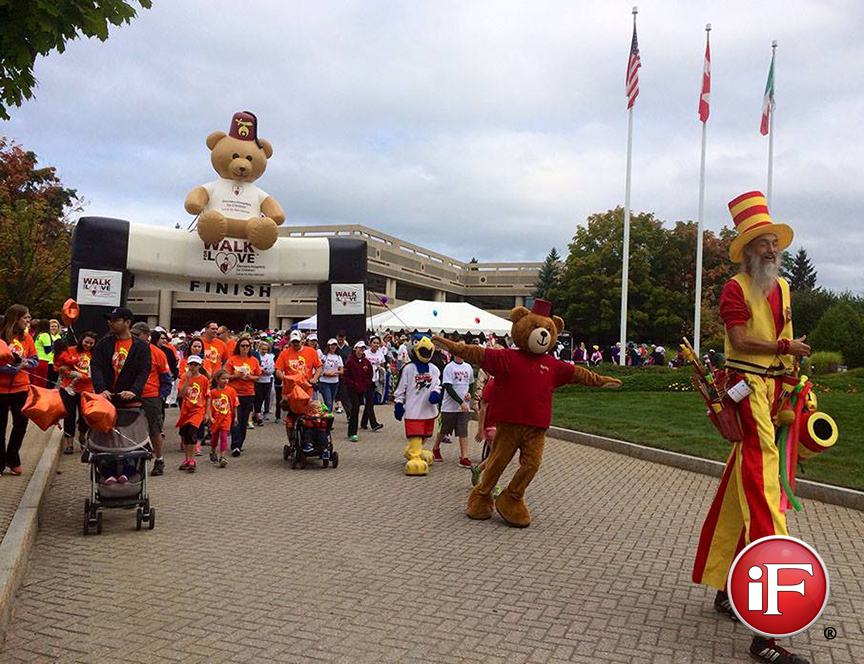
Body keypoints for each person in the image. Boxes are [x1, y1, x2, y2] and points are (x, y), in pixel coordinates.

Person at [691, 191, 812, 664]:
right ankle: (768, 632)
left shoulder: (782, 289)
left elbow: (785, 342)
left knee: (740, 490)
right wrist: (785, 349)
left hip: (774, 392)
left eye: (772, 242)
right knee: (766, 498)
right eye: (760, 242)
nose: (769, 249)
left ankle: (726, 585)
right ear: (745, 250)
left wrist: (793, 382)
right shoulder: (734, 289)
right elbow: (740, 340)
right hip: (745, 389)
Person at [0, 305, 37, 475]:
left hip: (21, 387)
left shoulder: (27, 338)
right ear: (16, 318)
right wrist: (6, 368)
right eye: (25, 317)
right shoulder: (1, 336)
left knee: (21, 424)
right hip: (0, 389)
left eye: (29, 318)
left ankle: (12, 457)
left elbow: (35, 360)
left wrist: (25, 364)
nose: (28, 321)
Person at [132, 322, 172, 474]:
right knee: (132, 430)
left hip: (151, 397)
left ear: (146, 336)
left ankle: (159, 459)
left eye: (137, 334)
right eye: (133, 334)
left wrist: (161, 397)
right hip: (132, 397)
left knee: (155, 430)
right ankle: (133, 461)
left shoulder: (157, 353)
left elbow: (166, 379)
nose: (134, 337)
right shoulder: (129, 350)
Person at [53, 332, 98, 454]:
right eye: (86, 342)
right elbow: (58, 363)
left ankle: (82, 437)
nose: (88, 345)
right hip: (68, 388)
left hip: (87, 389)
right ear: (81, 340)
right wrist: (61, 370)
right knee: (69, 416)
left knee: (85, 416)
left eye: (91, 343)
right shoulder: (70, 350)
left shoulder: (95, 354)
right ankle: (69, 443)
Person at [431, 351, 474, 467]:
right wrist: (460, 402)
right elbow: (448, 388)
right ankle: (436, 448)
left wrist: (470, 394)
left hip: (464, 408)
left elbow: (471, 383)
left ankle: (464, 457)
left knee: (463, 431)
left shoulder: (468, 367)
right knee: (444, 430)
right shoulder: (449, 368)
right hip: (449, 407)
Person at [225, 336, 261, 456]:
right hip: (234, 393)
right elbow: (226, 376)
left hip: (248, 393)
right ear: (238, 347)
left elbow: (257, 376)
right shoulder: (232, 359)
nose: (245, 348)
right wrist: (236, 375)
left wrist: (249, 377)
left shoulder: (254, 360)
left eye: (247, 346)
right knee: (236, 419)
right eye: (242, 346)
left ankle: (239, 443)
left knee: (244, 420)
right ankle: (235, 445)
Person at [176, 355, 210, 473]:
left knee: (192, 433)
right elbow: (181, 394)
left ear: (200, 366)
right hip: (186, 410)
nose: (193, 367)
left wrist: (207, 413)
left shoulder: (204, 379)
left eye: (196, 364)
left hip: (197, 410)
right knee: (185, 434)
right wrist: (186, 380)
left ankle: (192, 459)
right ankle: (186, 458)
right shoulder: (184, 377)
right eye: (191, 364)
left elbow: (207, 396)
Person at [275, 329, 321, 400]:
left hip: (306, 388)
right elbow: (278, 370)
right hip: (290, 389)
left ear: (302, 341)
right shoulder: (284, 353)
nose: (295, 343)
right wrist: (285, 379)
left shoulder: (311, 351)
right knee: (290, 409)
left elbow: (319, 367)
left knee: (306, 409)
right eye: (293, 342)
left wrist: (314, 378)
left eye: (297, 341)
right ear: (290, 342)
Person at [342, 341, 373, 442]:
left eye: (363, 348)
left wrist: (365, 384)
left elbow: (369, 375)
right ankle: (352, 432)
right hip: (352, 389)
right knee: (355, 407)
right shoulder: (350, 361)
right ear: (355, 349)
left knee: (360, 406)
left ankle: (362, 424)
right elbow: (346, 377)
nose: (361, 350)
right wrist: (354, 384)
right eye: (359, 348)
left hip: (362, 388)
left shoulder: (366, 362)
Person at [208, 369, 237, 467]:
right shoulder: (213, 392)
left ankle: (222, 456)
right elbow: (209, 406)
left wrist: (235, 417)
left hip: (226, 417)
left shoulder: (231, 391)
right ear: (217, 379)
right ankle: (213, 452)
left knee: (224, 436)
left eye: (227, 379)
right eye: (223, 378)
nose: (226, 381)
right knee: (214, 437)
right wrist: (209, 416)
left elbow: (235, 404)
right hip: (215, 418)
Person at [362, 337, 386, 430]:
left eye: (377, 343)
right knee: (370, 402)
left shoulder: (380, 354)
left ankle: (364, 422)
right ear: (370, 343)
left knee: (369, 401)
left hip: (374, 380)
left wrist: (380, 368)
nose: (376, 345)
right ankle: (374, 423)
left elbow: (382, 365)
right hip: (365, 380)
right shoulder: (366, 353)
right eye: (374, 342)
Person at [318, 338, 344, 413]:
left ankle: (328, 417)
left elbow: (341, 370)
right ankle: (327, 419)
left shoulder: (338, 357)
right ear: (328, 346)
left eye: (335, 345)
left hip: (335, 382)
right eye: (332, 345)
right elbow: (319, 368)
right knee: (328, 402)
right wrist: (325, 373)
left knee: (331, 402)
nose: (333, 347)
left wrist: (334, 373)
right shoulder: (324, 356)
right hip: (324, 382)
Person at [253, 340, 275, 425]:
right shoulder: (256, 356)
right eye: (262, 349)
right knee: (258, 398)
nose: (264, 351)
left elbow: (271, 368)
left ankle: (264, 412)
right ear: (259, 348)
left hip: (267, 380)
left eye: (266, 349)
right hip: (258, 380)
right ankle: (257, 414)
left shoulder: (269, 357)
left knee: (266, 397)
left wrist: (265, 370)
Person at [334, 330, 351, 414]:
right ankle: (338, 405)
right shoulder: (333, 347)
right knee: (336, 392)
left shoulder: (348, 349)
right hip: (334, 374)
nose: (340, 338)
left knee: (344, 393)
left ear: (345, 338)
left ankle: (349, 413)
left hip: (344, 374)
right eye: (339, 336)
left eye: (342, 337)